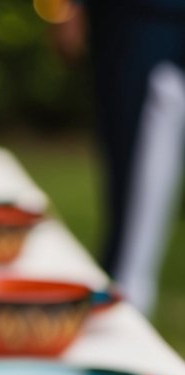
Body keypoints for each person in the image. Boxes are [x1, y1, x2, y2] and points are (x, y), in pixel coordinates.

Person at [49, 0, 185, 316]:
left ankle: (124, 306)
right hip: (131, 19)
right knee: (130, 183)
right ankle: (122, 300)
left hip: (155, 20)